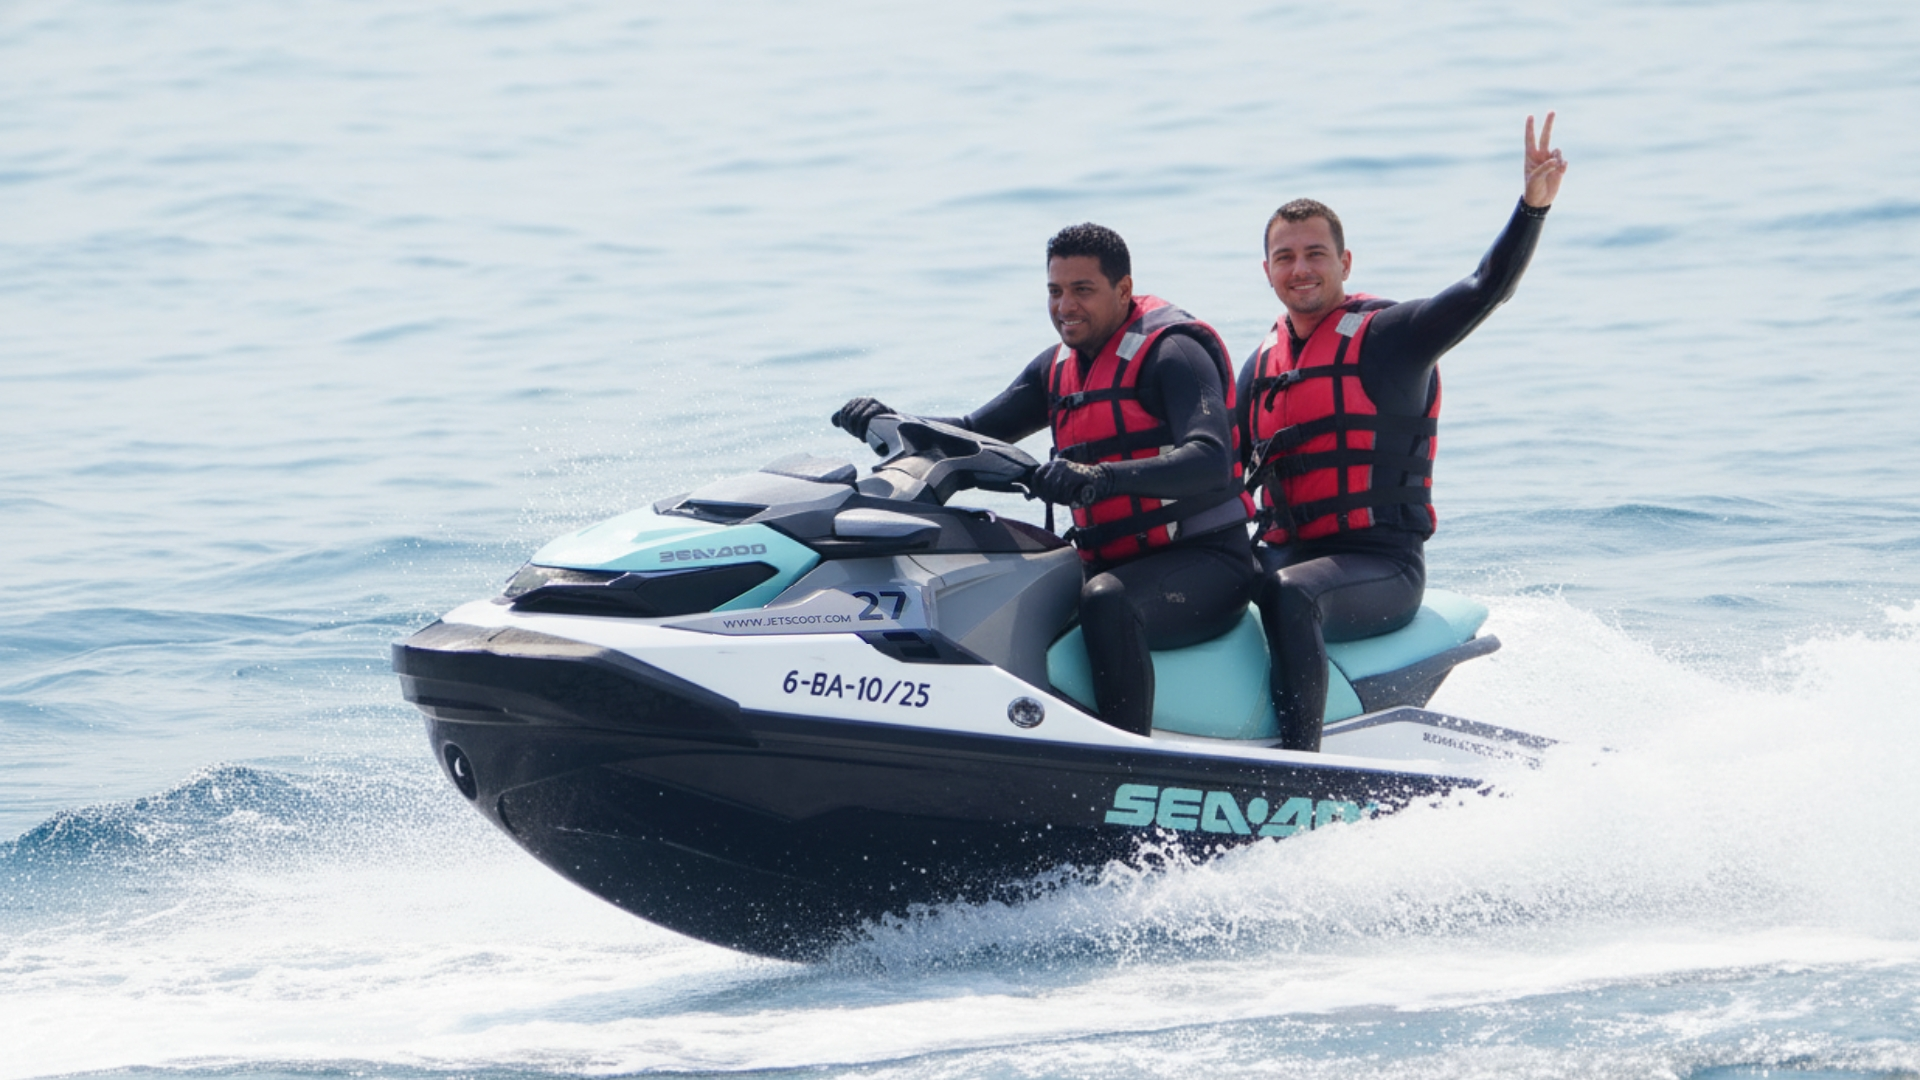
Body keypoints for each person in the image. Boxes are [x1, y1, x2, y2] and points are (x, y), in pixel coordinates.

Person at [834, 224, 1258, 737]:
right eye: (1055, 291)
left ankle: (1125, 762)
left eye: (1083, 290)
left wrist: (1100, 478)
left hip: (1210, 564)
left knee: (1108, 600)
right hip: (1116, 561)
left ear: (1123, 291)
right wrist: (890, 419)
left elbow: (1211, 459)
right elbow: (971, 433)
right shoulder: (1055, 368)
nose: (1065, 306)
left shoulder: (1173, 354)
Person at [1240, 113, 1568, 752]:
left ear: (1344, 262)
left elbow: (1485, 288)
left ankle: (1299, 762)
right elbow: (1214, 466)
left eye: (1315, 254)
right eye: (1286, 256)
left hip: (1380, 567)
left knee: (1288, 595)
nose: (1300, 268)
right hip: (1287, 552)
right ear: (1268, 269)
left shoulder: (1389, 339)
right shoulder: (1261, 365)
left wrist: (1531, 209)